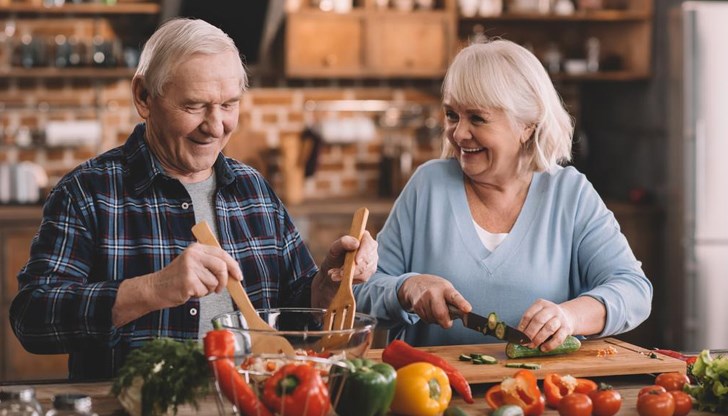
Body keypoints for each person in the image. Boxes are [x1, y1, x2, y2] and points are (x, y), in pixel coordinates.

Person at [9, 18, 377, 381]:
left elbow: (292, 315)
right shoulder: (87, 193)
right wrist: (152, 289)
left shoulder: (255, 191)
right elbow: (32, 318)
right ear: (144, 97)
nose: (215, 126)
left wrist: (326, 286)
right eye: (194, 106)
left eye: (229, 105)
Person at [354, 39, 652, 352]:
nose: (458, 133)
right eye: (452, 115)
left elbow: (634, 290)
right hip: (429, 391)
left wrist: (568, 317)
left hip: (540, 393)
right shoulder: (427, 186)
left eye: (477, 118)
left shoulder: (569, 194)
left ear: (527, 125)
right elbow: (361, 292)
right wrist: (405, 287)